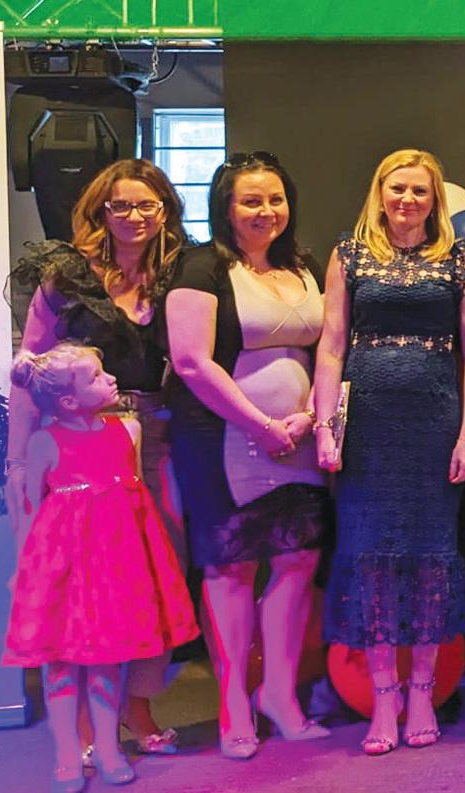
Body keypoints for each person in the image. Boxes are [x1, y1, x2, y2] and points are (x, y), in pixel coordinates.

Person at [7, 158, 188, 758]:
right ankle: (85, 723)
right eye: (121, 205)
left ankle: (138, 705)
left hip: (156, 435)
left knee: (157, 576)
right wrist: (18, 463)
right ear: (101, 211)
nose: (134, 216)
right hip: (76, 442)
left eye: (147, 204)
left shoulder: (179, 272)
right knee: (83, 585)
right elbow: (29, 368)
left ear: (165, 210)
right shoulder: (67, 275)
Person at [312, 149, 465, 755]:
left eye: (419, 190)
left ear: (435, 199)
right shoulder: (350, 253)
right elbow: (331, 345)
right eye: (398, 188)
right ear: (379, 192)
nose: (407, 199)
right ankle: (383, 696)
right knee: (371, 556)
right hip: (368, 425)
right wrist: (326, 428)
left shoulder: (460, 257)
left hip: (435, 422)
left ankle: (422, 693)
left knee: (429, 555)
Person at [165, 151, 331, 759]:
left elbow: (328, 352)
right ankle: (234, 704)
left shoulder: (305, 264)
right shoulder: (200, 266)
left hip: (299, 440)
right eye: (251, 200)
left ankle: (279, 697)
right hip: (225, 440)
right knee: (231, 570)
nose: (266, 211)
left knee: (298, 562)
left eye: (275, 198)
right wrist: (260, 425)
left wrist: (309, 417)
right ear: (226, 207)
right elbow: (190, 361)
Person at [3, 343, 199, 793]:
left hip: (115, 570)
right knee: (61, 666)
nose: (110, 378)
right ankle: (68, 755)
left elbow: (138, 505)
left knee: (109, 664)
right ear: (68, 400)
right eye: (95, 376)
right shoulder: (44, 442)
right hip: (64, 572)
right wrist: (26, 574)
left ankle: (109, 750)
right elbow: (32, 512)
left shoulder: (129, 430)